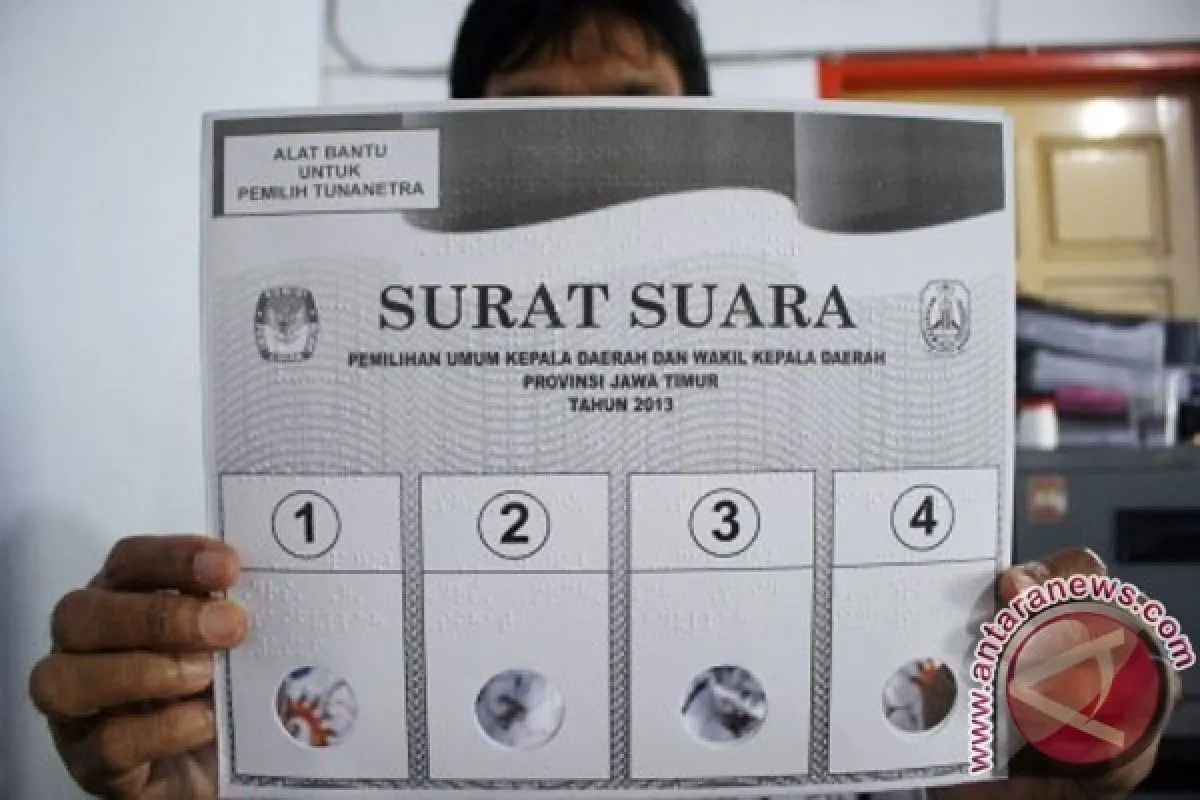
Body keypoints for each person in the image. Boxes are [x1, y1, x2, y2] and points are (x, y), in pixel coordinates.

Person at [29, 2, 1178, 798]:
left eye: (635, 105)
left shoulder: (825, 444)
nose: (586, 156)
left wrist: (1050, 741)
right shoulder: (380, 450)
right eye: (527, 110)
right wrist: (217, 766)